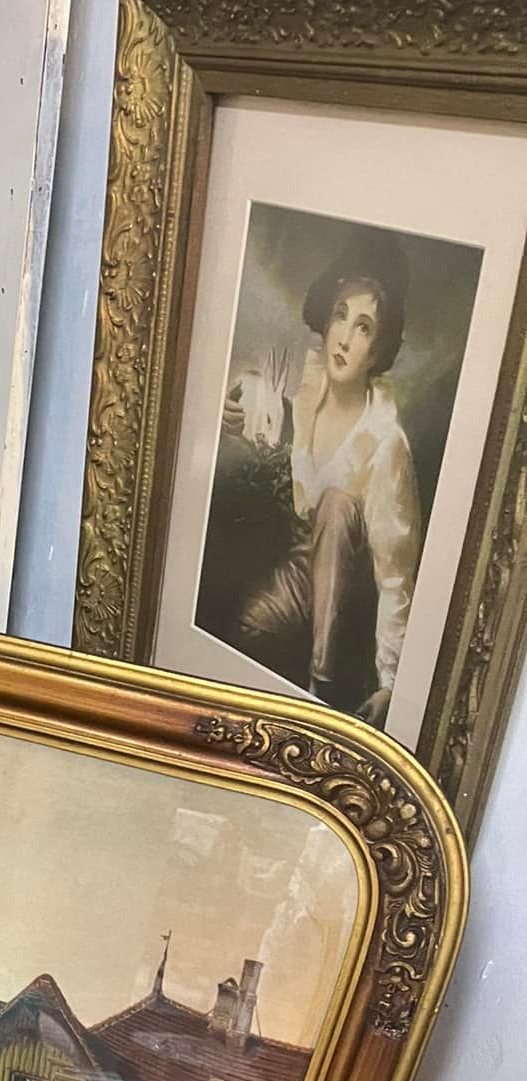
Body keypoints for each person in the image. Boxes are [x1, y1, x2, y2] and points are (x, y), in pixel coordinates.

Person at [223, 226, 421, 724]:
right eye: (341, 314)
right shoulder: (307, 395)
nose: (344, 337)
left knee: (336, 505)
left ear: (378, 349)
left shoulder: (386, 441)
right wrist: (226, 411)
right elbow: (264, 417)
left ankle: (322, 686)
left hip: (353, 599)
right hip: (303, 566)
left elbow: (395, 577)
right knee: (249, 627)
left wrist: (391, 681)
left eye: (364, 327)